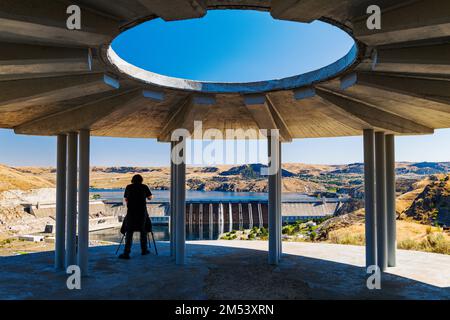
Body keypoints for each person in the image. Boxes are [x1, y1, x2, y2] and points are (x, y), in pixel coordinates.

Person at [119, 174, 153, 259]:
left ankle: (126, 253)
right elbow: (150, 198)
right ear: (141, 180)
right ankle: (144, 250)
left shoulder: (128, 187)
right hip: (142, 212)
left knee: (129, 232)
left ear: (132, 180)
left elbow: (126, 199)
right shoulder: (144, 187)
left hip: (131, 212)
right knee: (143, 231)